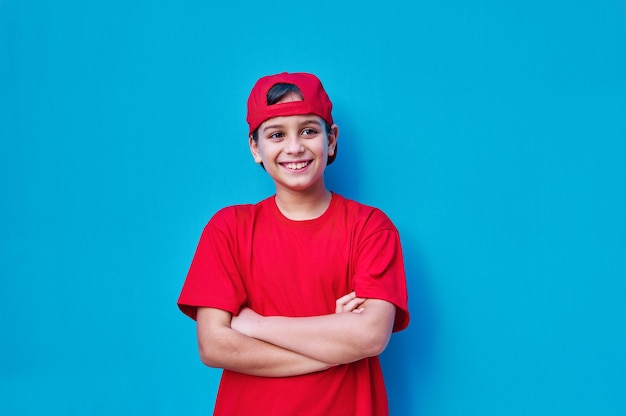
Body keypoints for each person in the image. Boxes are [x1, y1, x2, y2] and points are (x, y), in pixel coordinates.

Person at [178, 72, 410, 415]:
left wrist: (256, 325)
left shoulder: (371, 228)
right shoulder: (227, 229)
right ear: (255, 147)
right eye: (276, 134)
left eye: (309, 131)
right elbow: (214, 346)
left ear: (330, 140)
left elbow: (370, 337)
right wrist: (336, 343)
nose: (294, 147)